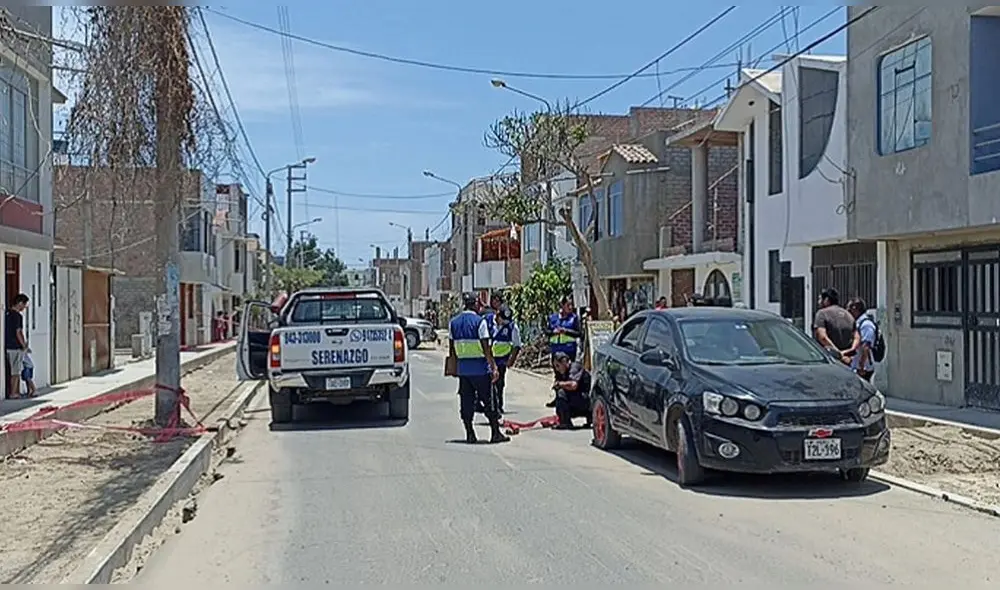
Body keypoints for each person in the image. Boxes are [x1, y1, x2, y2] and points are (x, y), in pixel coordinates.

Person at [448, 292, 509, 444]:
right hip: (480, 369)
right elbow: (485, 346)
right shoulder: (479, 322)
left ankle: (470, 433)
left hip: (464, 370)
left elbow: (451, 348)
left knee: (466, 402)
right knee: (489, 401)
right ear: (475, 304)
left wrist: (454, 368)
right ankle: (495, 433)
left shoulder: (453, 322)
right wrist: (493, 367)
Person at [545, 296, 581, 408]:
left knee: (568, 375)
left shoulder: (574, 318)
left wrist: (566, 331)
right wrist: (553, 332)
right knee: (557, 376)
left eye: (571, 305)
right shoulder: (553, 318)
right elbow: (546, 331)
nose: (570, 307)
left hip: (569, 350)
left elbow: (578, 333)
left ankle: (569, 398)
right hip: (556, 351)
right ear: (562, 305)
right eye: (568, 305)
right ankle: (558, 398)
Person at [813, 287, 859, 365]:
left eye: (820, 299)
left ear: (827, 300)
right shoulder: (848, 315)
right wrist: (850, 350)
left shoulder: (822, 314)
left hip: (829, 360)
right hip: (848, 360)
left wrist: (838, 354)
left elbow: (822, 337)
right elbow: (857, 337)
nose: (819, 302)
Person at [490, 305, 521, 414]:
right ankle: (490, 405)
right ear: (498, 316)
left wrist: (511, 360)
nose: (504, 322)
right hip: (490, 358)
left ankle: (499, 406)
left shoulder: (512, 327)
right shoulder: (490, 324)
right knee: (488, 383)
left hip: (502, 359)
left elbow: (517, 345)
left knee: (499, 383)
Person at [551, 352, 592, 429]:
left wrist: (559, 384)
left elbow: (573, 385)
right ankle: (564, 419)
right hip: (578, 401)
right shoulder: (561, 372)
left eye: (558, 365)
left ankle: (565, 422)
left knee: (561, 392)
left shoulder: (575, 367)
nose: (557, 369)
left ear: (564, 362)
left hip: (587, 401)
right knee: (559, 398)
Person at [847, 297, 877, 381]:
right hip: (857, 365)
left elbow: (866, 346)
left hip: (864, 368)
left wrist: (862, 365)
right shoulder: (858, 323)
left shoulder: (866, 325)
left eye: (850, 310)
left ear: (855, 309)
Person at [5, 293, 29, 399]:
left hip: (7, 346)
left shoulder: (7, 313)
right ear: (20, 303)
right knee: (16, 371)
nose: (24, 307)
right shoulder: (17, 316)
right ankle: (13, 392)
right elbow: (18, 332)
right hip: (15, 347)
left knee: (12, 370)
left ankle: (15, 392)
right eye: (24, 304)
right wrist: (24, 345)